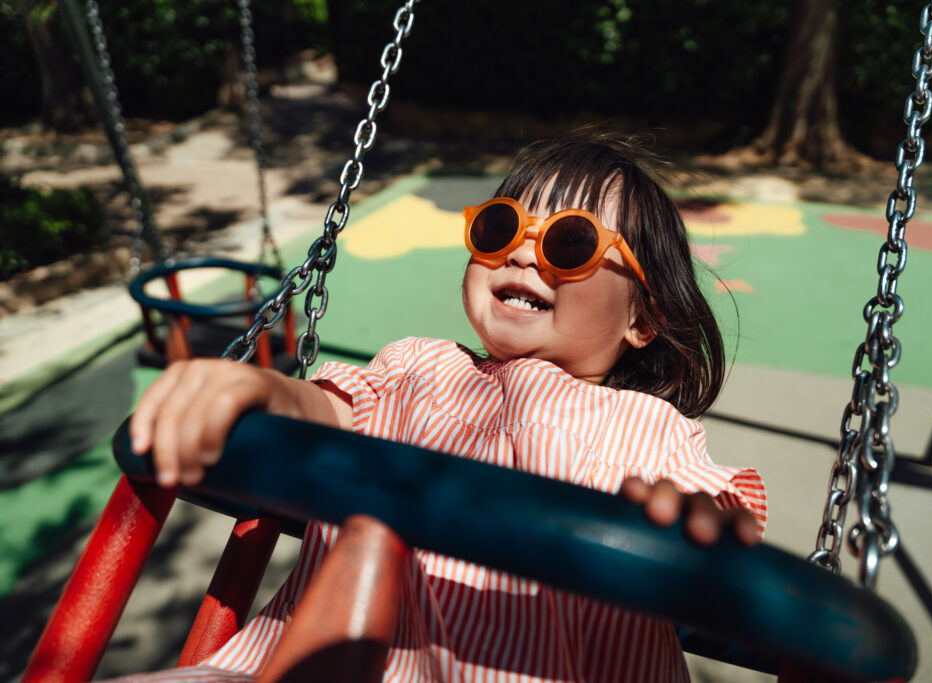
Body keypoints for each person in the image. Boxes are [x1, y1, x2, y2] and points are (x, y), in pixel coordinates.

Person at [122, 131, 767, 682]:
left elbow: (714, 513)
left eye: (569, 244)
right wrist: (265, 390)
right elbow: (327, 418)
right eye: (501, 227)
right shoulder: (418, 367)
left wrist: (692, 526)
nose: (520, 252)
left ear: (644, 319)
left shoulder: (652, 431)